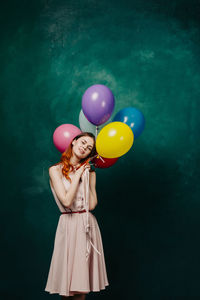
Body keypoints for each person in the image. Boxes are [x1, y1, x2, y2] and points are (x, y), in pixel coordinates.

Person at [45, 132, 109, 299]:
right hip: (68, 225)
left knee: (81, 287)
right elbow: (66, 201)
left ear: (90, 153)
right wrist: (78, 175)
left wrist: (87, 177)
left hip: (87, 225)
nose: (84, 148)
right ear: (73, 142)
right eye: (82, 143)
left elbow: (92, 204)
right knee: (67, 286)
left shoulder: (90, 173)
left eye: (89, 148)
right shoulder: (55, 170)